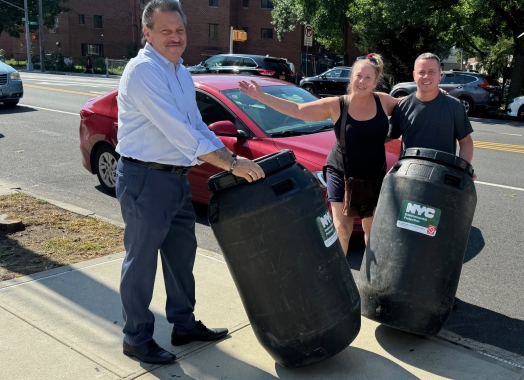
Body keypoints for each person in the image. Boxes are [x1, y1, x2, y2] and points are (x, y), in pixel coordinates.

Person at [115, 0, 265, 365]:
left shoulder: (180, 71)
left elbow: (197, 126)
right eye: (165, 30)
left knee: (181, 256)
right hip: (144, 179)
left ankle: (183, 324)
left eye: (179, 30)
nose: (175, 37)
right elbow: (180, 133)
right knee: (142, 261)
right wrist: (231, 163)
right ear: (147, 32)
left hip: (175, 178)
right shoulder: (143, 72)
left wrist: (230, 155)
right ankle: (136, 338)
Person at [239, 54, 400, 254]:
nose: (362, 81)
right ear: (351, 78)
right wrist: (261, 97)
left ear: (375, 82)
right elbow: (298, 109)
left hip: (372, 174)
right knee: (342, 228)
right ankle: (339, 278)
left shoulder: (383, 101)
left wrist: (435, 93)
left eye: (368, 78)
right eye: (359, 76)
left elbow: (411, 104)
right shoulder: (337, 105)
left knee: (371, 229)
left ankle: (372, 279)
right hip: (340, 170)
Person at [388, 53, 476, 175]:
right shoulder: (403, 106)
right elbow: (388, 137)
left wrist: (463, 171)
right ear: (414, 75)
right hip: (408, 178)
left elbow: (466, 142)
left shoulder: (455, 106)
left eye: (431, 72)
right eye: (421, 72)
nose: (426, 76)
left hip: (443, 180)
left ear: (440, 74)